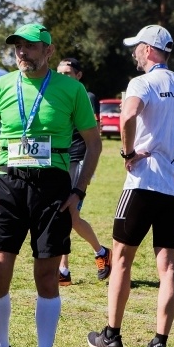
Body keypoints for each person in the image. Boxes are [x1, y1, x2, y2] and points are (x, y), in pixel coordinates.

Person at [0, 23, 101, 347]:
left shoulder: (71, 89)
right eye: (17, 47)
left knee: (47, 276)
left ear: (48, 50)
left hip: (53, 188)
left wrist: (78, 190)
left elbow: (94, 144)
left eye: (30, 46)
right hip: (7, 186)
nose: (22, 52)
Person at [86, 25, 174, 347]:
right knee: (168, 266)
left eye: (137, 47)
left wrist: (127, 152)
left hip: (143, 181)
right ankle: (158, 346)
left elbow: (128, 115)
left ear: (149, 50)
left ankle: (111, 335)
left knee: (121, 259)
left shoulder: (142, 83)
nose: (134, 52)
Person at [55, 57, 110, 286]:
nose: (63, 77)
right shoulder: (56, 95)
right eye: (59, 72)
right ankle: (70, 266)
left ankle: (96, 255)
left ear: (79, 75)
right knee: (64, 214)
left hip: (79, 159)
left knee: (69, 214)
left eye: (67, 73)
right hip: (59, 159)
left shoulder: (87, 97)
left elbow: (95, 135)